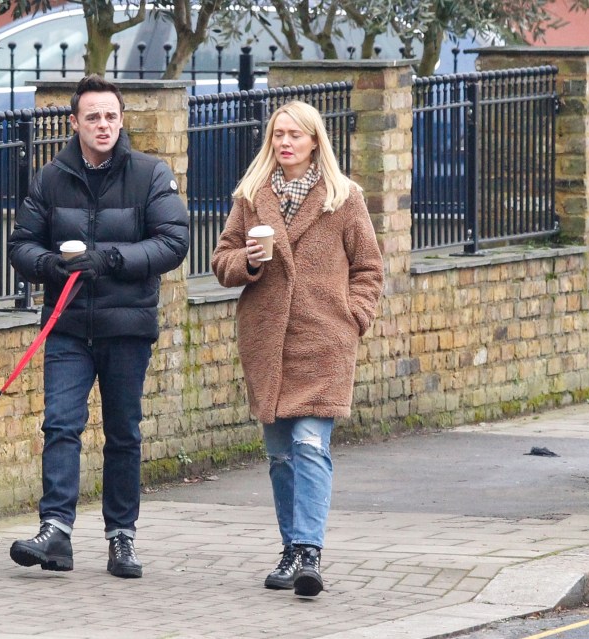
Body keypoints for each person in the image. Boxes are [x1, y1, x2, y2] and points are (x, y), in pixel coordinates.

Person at [7, 74, 189, 579]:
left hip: (125, 326)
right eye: (92, 117)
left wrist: (107, 259)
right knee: (61, 426)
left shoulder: (151, 174)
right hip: (66, 327)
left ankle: (121, 538)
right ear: (75, 123)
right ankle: (55, 532)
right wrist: (51, 266)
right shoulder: (50, 178)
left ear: (121, 119)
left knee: (123, 433)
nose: (103, 125)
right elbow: (20, 245)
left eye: (110, 116)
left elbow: (173, 242)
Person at [210, 100, 384, 597]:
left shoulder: (343, 197)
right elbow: (222, 261)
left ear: (314, 141)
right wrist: (251, 260)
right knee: (281, 455)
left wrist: (354, 318)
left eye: (295, 135)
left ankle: (309, 551)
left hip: (324, 340)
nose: (284, 142)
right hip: (267, 341)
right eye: (277, 134)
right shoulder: (250, 197)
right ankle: (290, 550)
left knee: (310, 446)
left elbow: (369, 268)